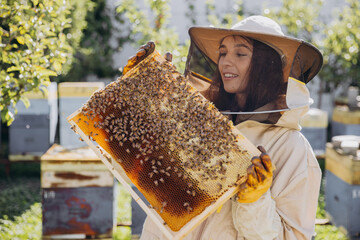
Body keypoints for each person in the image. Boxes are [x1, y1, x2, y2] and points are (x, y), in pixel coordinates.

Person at [140, 15, 323, 239]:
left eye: (240, 53)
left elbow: (293, 236)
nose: (225, 61)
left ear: (268, 65)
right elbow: (152, 174)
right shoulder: (201, 126)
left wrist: (254, 201)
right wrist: (144, 95)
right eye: (223, 52)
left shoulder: (293, 149)